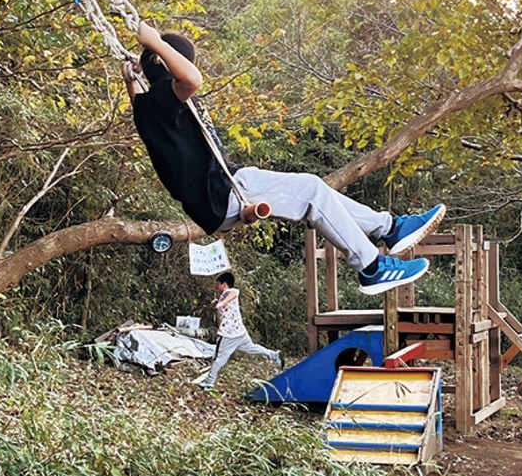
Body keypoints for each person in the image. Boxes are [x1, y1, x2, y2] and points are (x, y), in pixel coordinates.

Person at [122, 22, 446, 295]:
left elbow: (143, 99)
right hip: (220, 194)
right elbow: (192, 79)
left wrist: (130, 77)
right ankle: (372, 267)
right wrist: (154, 42)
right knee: (311, 192)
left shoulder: (150, 108)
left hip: (226, 185)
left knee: (314, 187)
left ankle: (390, 228)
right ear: (167, 65)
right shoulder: (166, 97)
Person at [197, 272, 281, 390]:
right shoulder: (224, 295)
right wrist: (218, 300)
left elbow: (235, 292)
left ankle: (209, 382)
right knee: (252, 347)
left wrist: (221, 303)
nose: (217, 287)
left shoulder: (230, 292)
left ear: (224, 284)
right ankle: (274, 355)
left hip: (228, 334)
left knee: (218, 358)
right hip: (240, 332)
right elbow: (226, 302)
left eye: (218, 285)